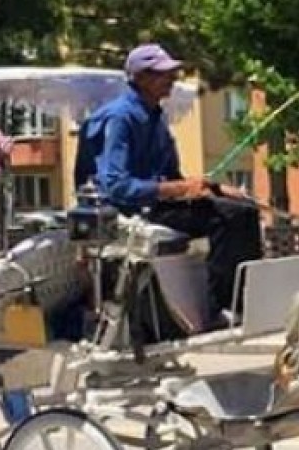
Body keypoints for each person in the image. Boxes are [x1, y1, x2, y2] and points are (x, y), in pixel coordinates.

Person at [74, 43, 264, 326]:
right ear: (141, 78)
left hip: (157, 204)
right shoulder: (121, 118)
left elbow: (174, 177)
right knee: (228, 217)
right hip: (128, 212)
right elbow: (117, 186)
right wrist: (179, 189)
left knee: (244, 209)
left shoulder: (155, 117)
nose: (172, 79)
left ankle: (245, 300)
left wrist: (216, 188)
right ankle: (219, 309)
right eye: (163, 73)